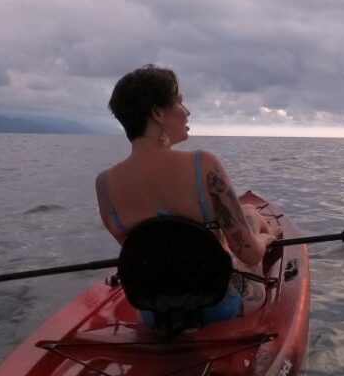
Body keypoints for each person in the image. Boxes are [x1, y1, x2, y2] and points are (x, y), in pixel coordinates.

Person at [95, 64, 279, 320]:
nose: (187, 111)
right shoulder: (204, 164)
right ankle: (271, 232)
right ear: (158, 113)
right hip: (218, 308)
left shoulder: (104, 185)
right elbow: (248, 253)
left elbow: (155, 257)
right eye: (180, 102)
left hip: (153, 314)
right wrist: (265, 242)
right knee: (250, 229)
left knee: (247, 213)